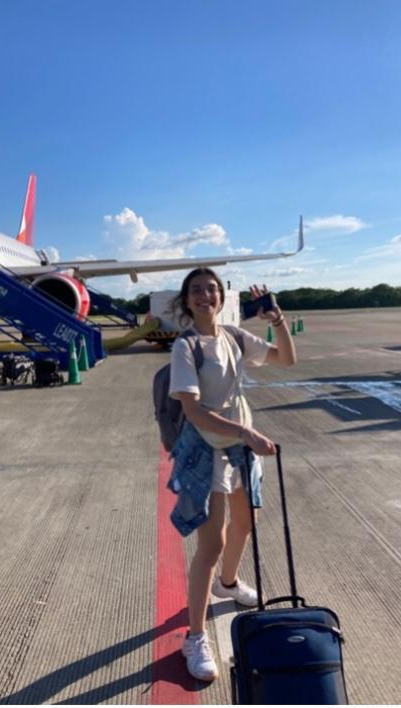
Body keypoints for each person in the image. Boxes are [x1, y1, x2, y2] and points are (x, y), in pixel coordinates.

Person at [168, 267, 297, 682]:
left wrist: (278, 321)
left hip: (241, 448)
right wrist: (246, 432)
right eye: (197, 290)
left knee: (247, 521)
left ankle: (228, 583)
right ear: (187, 301)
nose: (206, 295)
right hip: (208, 451)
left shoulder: (234, 337)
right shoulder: (186, 347)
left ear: (222, 297)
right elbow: (191, 409)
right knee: (212, 541)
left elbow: (286, 359)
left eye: (212, 289)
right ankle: (194, 636)